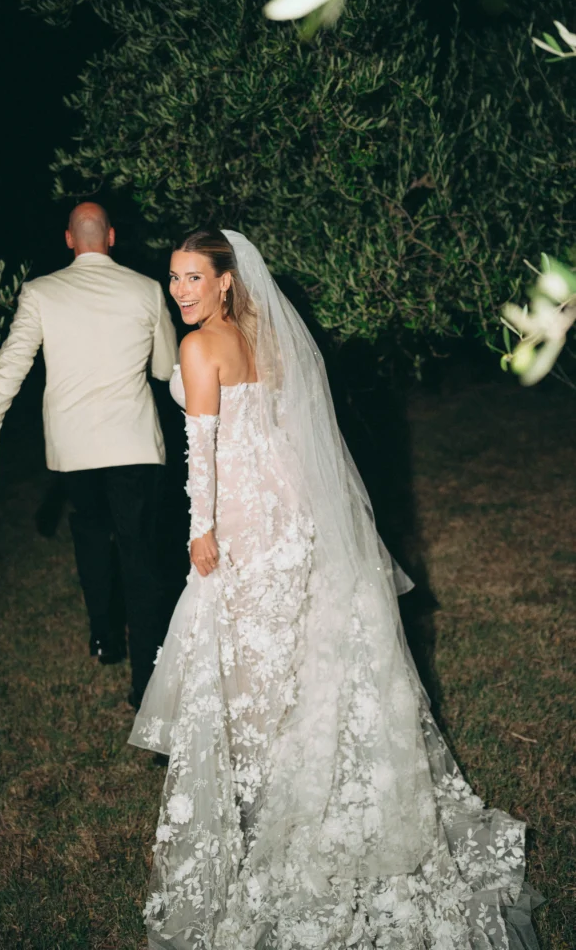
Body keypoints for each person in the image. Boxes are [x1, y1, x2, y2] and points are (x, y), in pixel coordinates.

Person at [129, 229, 539, 949]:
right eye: (173, 277)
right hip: (296, 523)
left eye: (194, 277)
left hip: (245, 530)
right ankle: (307, 797)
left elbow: (202, 456)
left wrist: (201, 535)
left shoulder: (198, 348)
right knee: (299, 665)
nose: (180, 291)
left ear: (227, 281)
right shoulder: (270, 338)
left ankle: (268, 822)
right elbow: (293, 436)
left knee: (249, 679)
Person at [0, 203, 178, 705]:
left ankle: (103, 632)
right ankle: (145, 685)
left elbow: (10, 364)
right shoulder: (146, 289)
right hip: (133, 444)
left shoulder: (40, 292)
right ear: (112, 237)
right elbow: (167, 371)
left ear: (68, 240)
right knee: (139, 553)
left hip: (74, 448)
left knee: (89, 531)